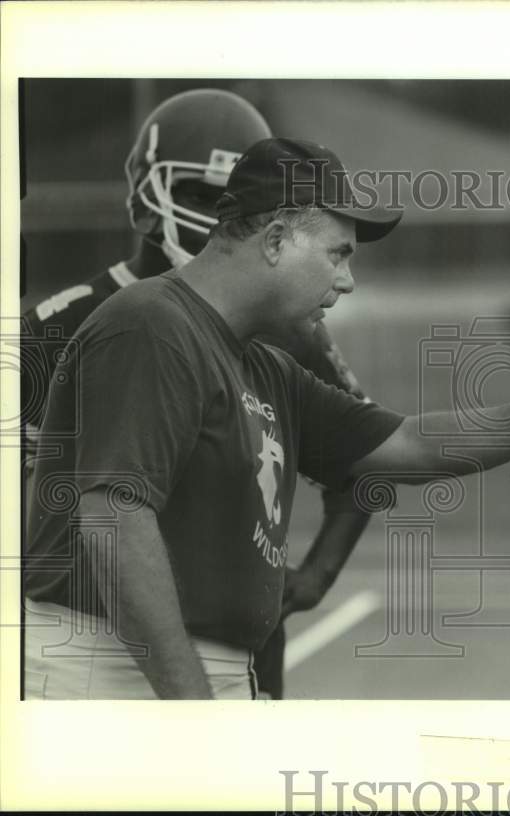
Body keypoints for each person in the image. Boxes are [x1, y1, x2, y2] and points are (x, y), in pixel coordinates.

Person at [22, 136, 510, 699]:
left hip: (176, 673)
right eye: (337, 254)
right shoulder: (154, 324)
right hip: (112, 673)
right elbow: (115, 524)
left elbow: (409, 444)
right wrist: (197, 723)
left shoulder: (260, 364)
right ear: (274, 242)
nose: (347, 280)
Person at [19, 88, 372, 700]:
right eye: (201, 195)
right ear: (145, 195)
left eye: (234, 197)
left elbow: (367, 459)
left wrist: (314, 576)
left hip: (237, 648)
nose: (218, 213)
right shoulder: (56, 326)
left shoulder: (287, 329)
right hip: (84, 645)